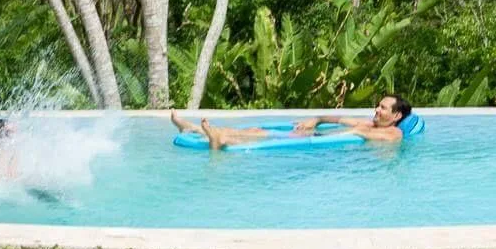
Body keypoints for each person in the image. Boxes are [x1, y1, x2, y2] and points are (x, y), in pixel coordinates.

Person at [170, 95, 413, 150]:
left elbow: (372, 138)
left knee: (259, 136)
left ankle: (219, 138)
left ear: (396, 116)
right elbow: (336, 118)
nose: (376, 110)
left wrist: (357, 130)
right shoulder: (369, 123)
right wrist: (316, 120)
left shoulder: (393, 134)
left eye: (382, 108)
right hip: (317, 136)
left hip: (319, 145)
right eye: (378, 106)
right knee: (256, 129)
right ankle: (191, 128)